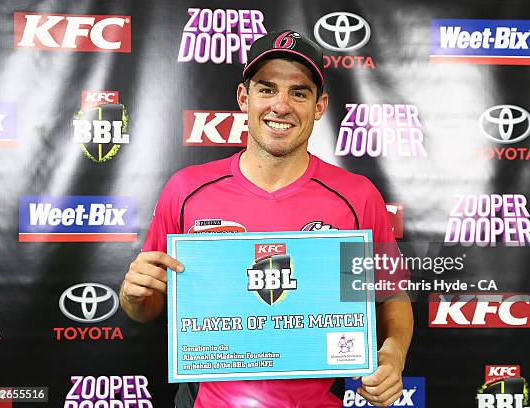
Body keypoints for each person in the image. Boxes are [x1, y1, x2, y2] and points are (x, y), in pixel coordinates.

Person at [119, 30, 413, 408]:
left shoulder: (357, 196)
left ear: (320, 106)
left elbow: (391, 295)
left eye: (299, 92)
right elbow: (146, 306)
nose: (281, 105)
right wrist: (132, 296)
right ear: (245, 97)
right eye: (267, 89)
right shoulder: (187, 189)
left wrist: (392, 355)